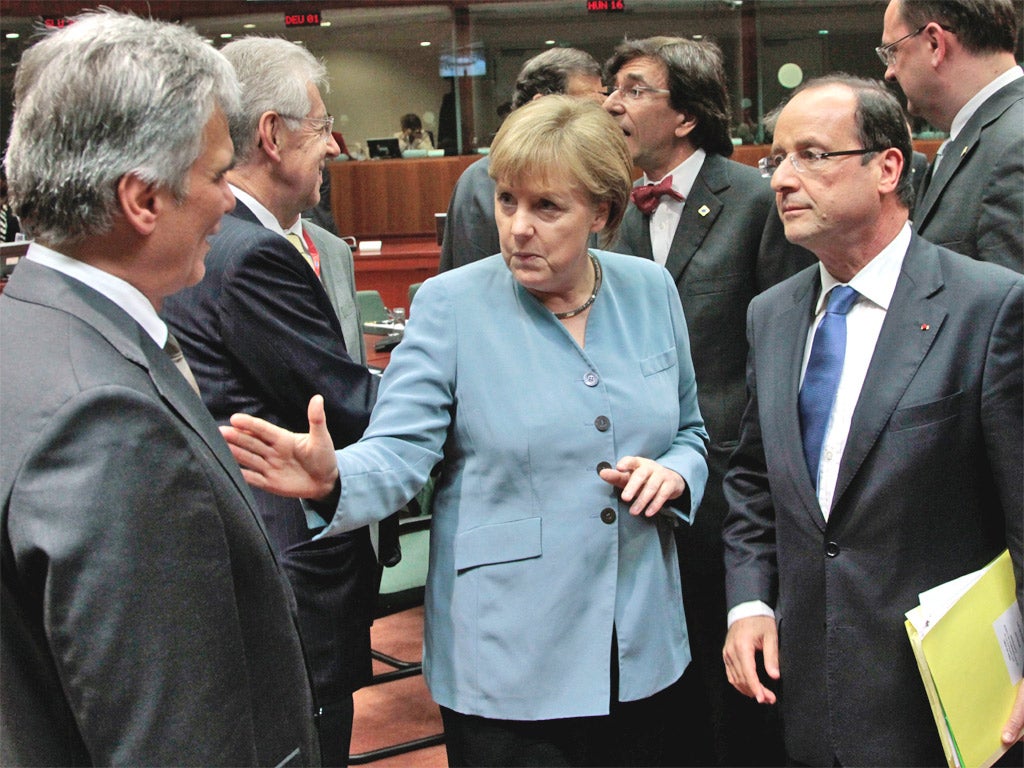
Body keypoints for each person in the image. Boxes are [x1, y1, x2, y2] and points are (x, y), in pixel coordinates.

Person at [221, 95, 710, 768]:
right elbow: (400, 448)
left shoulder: (651, 290)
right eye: (507, 201)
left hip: (642, 643)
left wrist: (677, 471)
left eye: (547, 208)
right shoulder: (451, 305)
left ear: (603, 212)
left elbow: (690, 431)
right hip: (507, 653)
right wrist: (336, 479)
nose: (518, 229)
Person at [0, 11, 319, 766]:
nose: (225, 201)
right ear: (142, 200)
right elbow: (168, 735)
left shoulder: (30, 323)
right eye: (215, 175)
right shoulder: (106, 420)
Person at [721, 74, 1023, 767]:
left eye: (811, 156)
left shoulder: (988, 307)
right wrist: (749, 604)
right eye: (776, 160)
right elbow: (752, 480)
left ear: (888, 167)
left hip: (947, 704)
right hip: (808, 699)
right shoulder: (771, 316)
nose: (781, 181)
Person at [160, 37, 382, 768]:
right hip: (293, 564)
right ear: (272, 135)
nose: (334, 145)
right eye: (321, 126)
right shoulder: (253, 252)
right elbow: (344, 404)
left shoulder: (215, 236)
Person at [602, 35, 813, 766]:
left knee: (738, 691)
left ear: (685, 115)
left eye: (632, 89)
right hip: (639, 487)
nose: (611, 103)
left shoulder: (755, 198)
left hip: (730, 487)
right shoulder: (616, 209)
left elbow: (781, 350)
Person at [880, 0, 1022, 272]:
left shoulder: (1014, 145)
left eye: (892, 52)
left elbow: (1012, 307)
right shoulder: (986, 135)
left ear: (935, 43)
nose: (890, 72)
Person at [439, 47, 605, 272]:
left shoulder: (592, 173)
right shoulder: (482, 179)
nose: (601, 118)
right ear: (543, 105)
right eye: (588, 106)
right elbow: (471, 282)